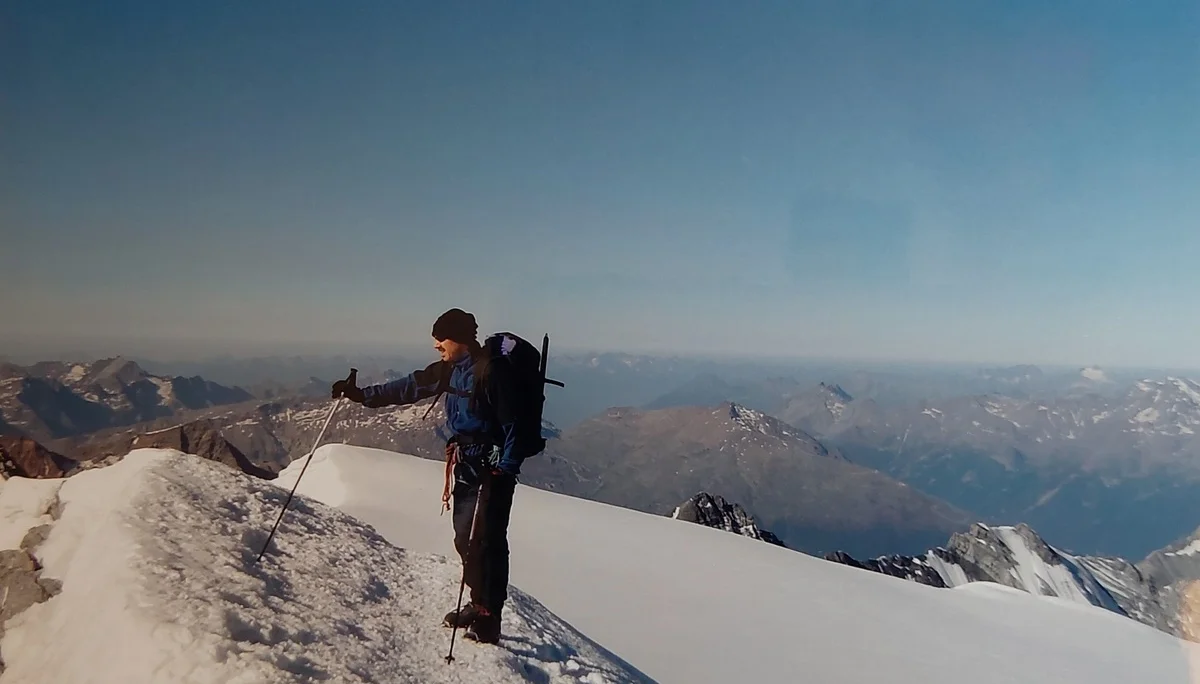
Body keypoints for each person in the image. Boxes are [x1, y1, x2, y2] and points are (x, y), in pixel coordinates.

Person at [330, 307, 532, 644]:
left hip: (491, 468)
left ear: (459, 339)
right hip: (466, 463)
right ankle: (477, 602)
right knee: (465, 539)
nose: (437, 346)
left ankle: (489, 617)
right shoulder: (450, 371)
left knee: (487, 541)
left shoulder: (491, 372)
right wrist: (361, 395)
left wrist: (505, 470)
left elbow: (516, 426)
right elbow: (408, 387)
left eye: (441, 340)